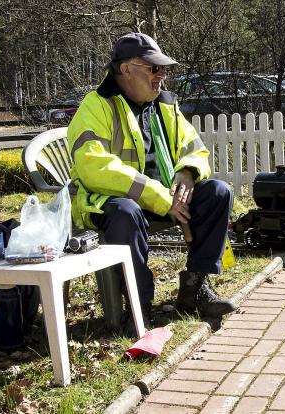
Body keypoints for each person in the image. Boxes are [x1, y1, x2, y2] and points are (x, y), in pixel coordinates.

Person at [67, 33, 237, 322]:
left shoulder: (166, 105)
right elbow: (92, 166)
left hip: (168, 199)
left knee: (218, 192)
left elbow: (195, 148)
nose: (161, 76)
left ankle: (195, 288)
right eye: (153, 68)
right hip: (112, 201)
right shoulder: (96, 106)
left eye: (164, 69)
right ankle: (138, 307)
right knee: (125, 211)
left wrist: (187, 172)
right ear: (125, 69)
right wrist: (157, 196)